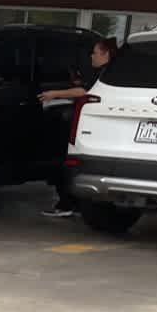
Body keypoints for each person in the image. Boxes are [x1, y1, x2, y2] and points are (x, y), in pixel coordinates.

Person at [37, 36, 118, 216]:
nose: (91, 57)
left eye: (95, 53)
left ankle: (66, 204)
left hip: (92, 130)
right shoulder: (112, 73)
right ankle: (72, 203)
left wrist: (54, 94)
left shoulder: (104, 74)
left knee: (66, 163)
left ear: (106, 54)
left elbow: (84, 91)